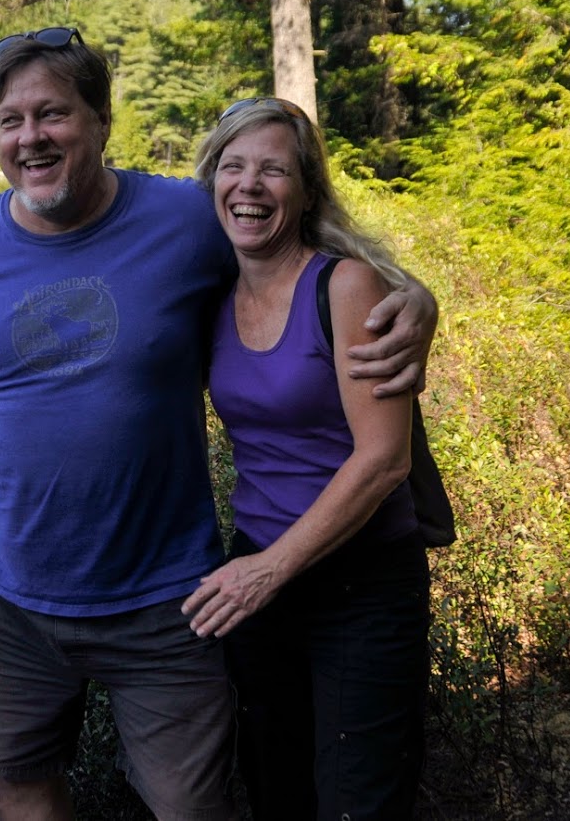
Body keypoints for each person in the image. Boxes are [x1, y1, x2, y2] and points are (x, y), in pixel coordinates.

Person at [0, 27, 435, 821]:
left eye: (53, 114)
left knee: (192, 803)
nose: (31, 136)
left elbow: (300, 250)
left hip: (171, 598)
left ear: (99, 122)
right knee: (21, 782)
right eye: (10, 119)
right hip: (7, 596)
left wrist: (413, 298)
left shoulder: (185, 219)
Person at [182, 97, 430, 820]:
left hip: (360, 583)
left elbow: (385, 458)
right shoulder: (210, 296)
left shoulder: (344, 284)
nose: (249, 185)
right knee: (273, 787)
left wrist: (269, 569)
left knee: (357, 801)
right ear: (212, 184)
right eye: (232, 167)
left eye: (272, 170)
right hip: (257, 577)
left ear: (306, 189)